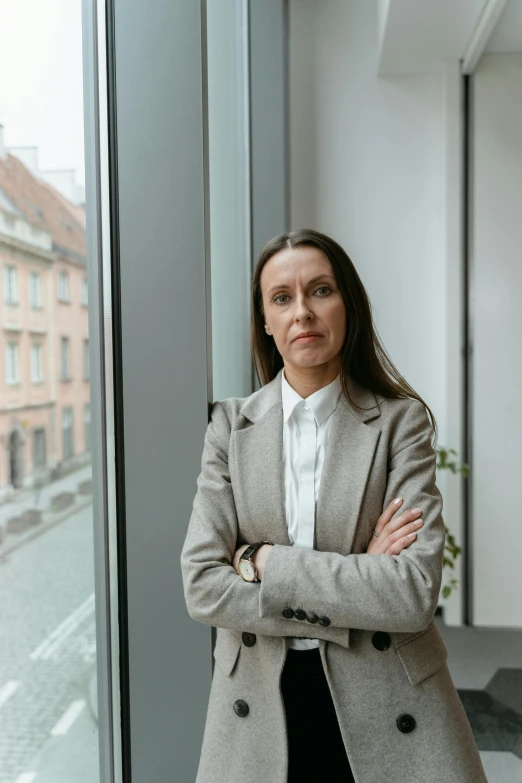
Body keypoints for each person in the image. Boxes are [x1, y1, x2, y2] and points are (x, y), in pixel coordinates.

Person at [180, 229, 487, 783]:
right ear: (266, 322)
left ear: (348, 305)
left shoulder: (400, 424)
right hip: (258, 701)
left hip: (386, 696)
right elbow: (203, 585)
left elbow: (413, 592)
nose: (303, 312)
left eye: (320, 290)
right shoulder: (230, 427)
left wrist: (262, 562)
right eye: (282, 298)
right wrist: (361, 575)